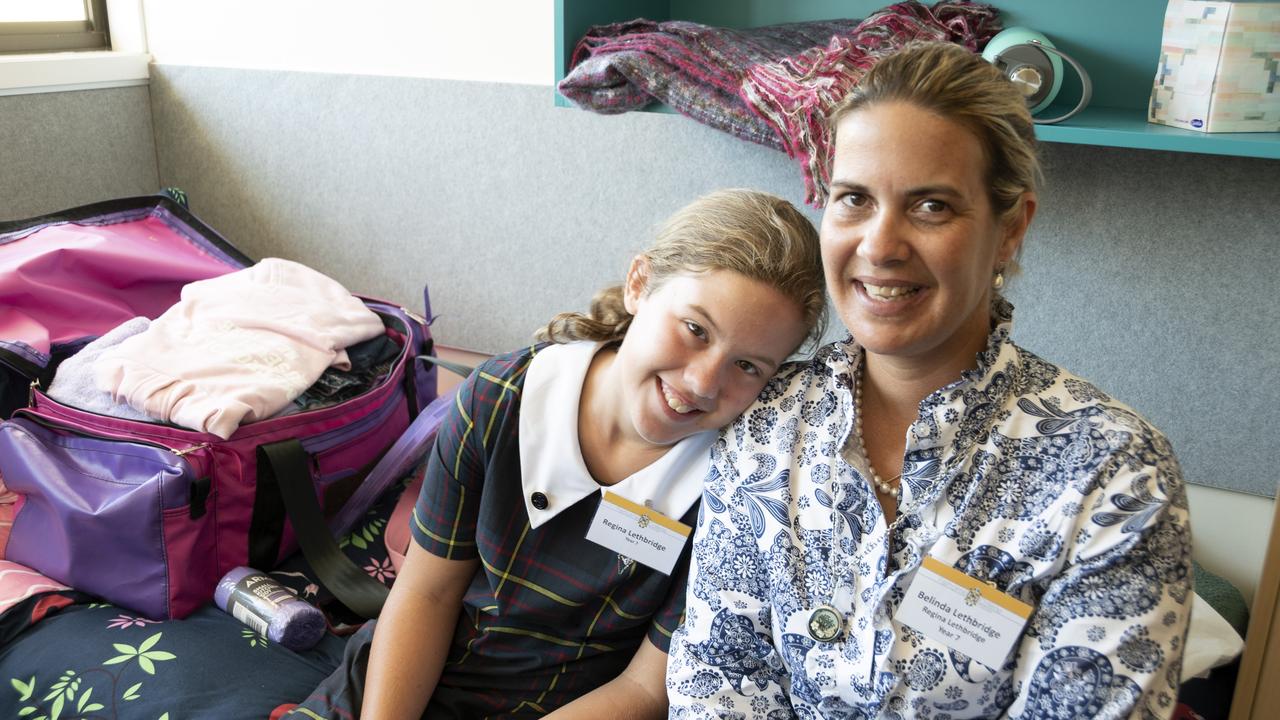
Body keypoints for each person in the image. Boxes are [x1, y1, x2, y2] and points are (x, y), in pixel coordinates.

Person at [666, 42, 1192, 719]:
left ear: (1010, 230)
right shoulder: (769, 424)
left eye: (932, 206)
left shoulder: (1112, 475)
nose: (880, 246)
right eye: (853, 198)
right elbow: (719, 679)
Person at [282, 188, 827, 719]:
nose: (704, 383)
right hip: (406, 679)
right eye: (694, 329)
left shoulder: (737, 489)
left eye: (749, 366)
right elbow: (425, 595)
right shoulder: (499, 399)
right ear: (640, 285)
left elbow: (644, 688)